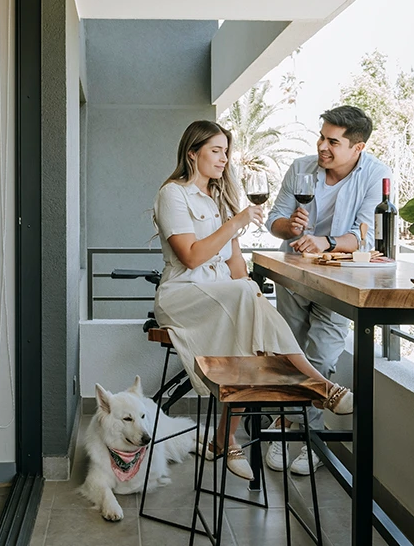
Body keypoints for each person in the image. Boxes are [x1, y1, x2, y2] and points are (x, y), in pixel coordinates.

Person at [152, 120, 354, 481]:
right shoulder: (173, 194)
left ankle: (223, 440)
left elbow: (235, 266)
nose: (224, 159)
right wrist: (236, 223)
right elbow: (192, 257)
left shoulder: (219, 200)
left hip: (220, 294)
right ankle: (319, 386)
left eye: (226, 151)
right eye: (216, 150)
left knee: (253, 319)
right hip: (182, 294)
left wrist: (250, 290)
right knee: (247, 302)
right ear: (192, 153)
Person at [264, 105, 392, 475]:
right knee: (290, 348)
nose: (322, 146)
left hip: (342, 275)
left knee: (322, 350)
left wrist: (326, 241)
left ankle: (298, 429)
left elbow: (365, 235)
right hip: (294, 273)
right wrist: (289, 228)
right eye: (321, 137)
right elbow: (275, 220)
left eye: (333, 141)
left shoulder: (376, 176)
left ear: (358, 147)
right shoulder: (301, 168)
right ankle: (302, 431)